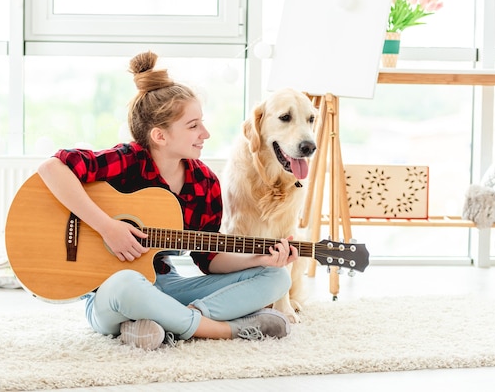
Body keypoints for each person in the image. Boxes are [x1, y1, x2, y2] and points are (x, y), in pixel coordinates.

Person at [37, 50, 299, 350]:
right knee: (127, 284)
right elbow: (51, 168)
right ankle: (220, 329)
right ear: (160, 136)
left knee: (277, 277)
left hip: (168, 287)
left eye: (202, 122)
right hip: (107, 293)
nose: (206, 133)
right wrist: (107, 227)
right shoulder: (127, 161)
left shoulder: (205, 182)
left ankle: (160, 323)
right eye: (193, 125)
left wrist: (261, 258)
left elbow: (209, 259)